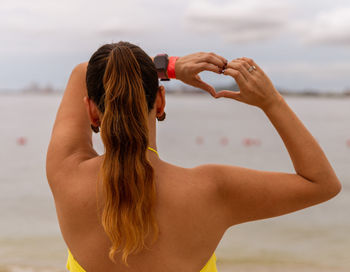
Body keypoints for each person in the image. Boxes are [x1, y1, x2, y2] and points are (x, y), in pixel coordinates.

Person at [46, 41, 341, 272]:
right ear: (159, 102)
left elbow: (83, 72)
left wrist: (167, 66)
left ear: (91, 110)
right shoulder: (211, 190)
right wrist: (271, 102)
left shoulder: (66, 175)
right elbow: (322, 183)